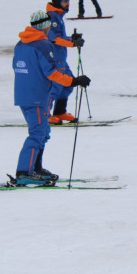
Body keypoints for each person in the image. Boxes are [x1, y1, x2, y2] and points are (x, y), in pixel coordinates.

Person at [12, 10, 90, 185]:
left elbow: (16, 66)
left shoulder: (21, 43)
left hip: (26, 95)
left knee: (43, 131)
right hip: (37, 96)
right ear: (45, 26)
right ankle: (24, 172)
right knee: (38, 133)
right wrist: (74, 81)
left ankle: (35, 168)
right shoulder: (42, 44)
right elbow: (52, 72)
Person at [46, 0, 84, 124]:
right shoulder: (52, 17)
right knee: (55, 86)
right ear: (58, 2)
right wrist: (72, 43)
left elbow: (60, 38)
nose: (68, 4)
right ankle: (45, 114)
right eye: (65, 1)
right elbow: (54, 38)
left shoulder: (58, 16)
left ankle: (60, 112)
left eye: (68, 1)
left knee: (68, 84)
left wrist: (72, 39)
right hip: (54, 59)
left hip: (61, 59)